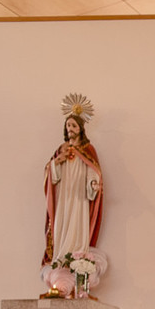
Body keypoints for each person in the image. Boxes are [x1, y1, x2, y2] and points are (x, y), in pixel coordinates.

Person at [43, 112, 103, 267]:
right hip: (63, 196)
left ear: (80, 129)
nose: (70, 128)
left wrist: (93, 184)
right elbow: (51, 176)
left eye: (73, 126)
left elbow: (93, 170)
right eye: (68, 125)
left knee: (78, 223)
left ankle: (77, 259)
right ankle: (60, 257)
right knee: (61, 224)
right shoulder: (61, 149)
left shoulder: (88, 149)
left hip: (79, 196)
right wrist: (56, 163)